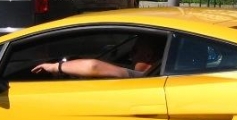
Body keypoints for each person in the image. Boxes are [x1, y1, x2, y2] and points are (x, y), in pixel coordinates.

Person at [32, 36, 164, 79]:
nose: (130, 55)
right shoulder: (162, 73)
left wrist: (55, 66)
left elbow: (93, 66)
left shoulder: (141, 77)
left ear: (148, 56)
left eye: (134, 51)